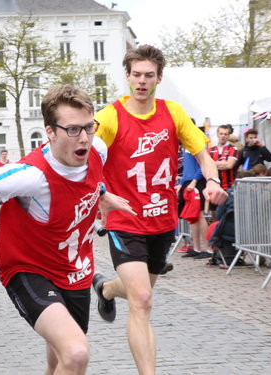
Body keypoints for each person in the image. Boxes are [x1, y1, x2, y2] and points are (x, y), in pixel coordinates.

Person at [0, 85, 135, 375]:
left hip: (75, 270)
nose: (83, 137)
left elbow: (89, 180)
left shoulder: (98, 149)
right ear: (50, 132)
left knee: (59, 360)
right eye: (71, 130)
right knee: (76, 352)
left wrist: (101, 193)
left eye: (87, 127)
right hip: (29, 268)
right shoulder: (30, 176)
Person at [93, 45, 227, 375]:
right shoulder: (111, 116)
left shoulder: (173, 112)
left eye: (148, 76)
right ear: (127, 76)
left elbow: (202, 152)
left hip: (163, 221)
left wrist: (211, 179)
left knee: (141, 290)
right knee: (141, 300)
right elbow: (84, 157)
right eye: (136, 75)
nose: (141, 81)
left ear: (158, 78)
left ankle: (107, 288)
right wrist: (100, 194)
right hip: (124, 219)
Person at [177, 125, 211, 260]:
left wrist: (195, 181)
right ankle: (196, 248)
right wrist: (181, 184)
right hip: (188, 182)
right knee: (193, 217)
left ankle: (208, 248)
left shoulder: (197, 143)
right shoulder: (186, 145)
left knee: (200, 215)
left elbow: (203, 165)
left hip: (196, 182)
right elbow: (188, 168)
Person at [209, 125, 238, 190]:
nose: (223, 136)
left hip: (228, 187)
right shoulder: (210, 150)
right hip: (214, 187)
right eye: (221, 134)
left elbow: (229, 165)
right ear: (217, 135)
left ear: (228, 136)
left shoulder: (233, 149)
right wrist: (223, 163)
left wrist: (213, 164)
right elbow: (207, 166)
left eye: (225, 134)